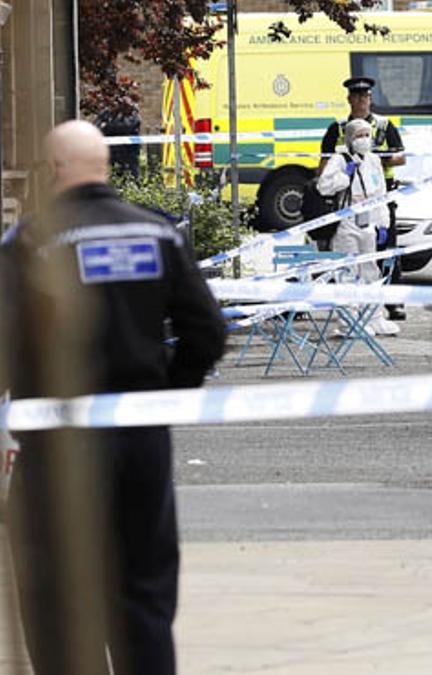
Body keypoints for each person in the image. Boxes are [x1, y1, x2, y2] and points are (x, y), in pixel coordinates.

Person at [1, 120, 226, 674]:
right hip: (141, 443)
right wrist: (167, 393)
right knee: (143, 595)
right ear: (105, 166)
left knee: (56, 601)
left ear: (53, 172)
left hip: (57, 448)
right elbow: (208, 332)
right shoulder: (157, 233)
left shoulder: (30, 243)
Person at [320, 76, 407, 321]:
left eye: (365, 96)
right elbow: (323, 165)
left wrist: (375, 158)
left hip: (379, 195)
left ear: (370, 98)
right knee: (348, 256)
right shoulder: (337, 127)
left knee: (386, 250)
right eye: (356, 96)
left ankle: (391, 303)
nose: (361, 100)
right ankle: (351, 313)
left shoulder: (384, 124)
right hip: (345, 200)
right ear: (349, 99)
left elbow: (401, 157)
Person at [317, 118, 400, 337]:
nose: (364, 140)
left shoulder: (373, 160)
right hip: (346, 222)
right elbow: (323, 186)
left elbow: (380, 193)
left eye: (367, 135)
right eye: (359, 136)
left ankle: (374, 317)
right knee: (348, 272)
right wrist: (346, 176)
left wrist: (383, 224)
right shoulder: (340, 159)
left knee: (371, 271)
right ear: (350, 139)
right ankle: (348, 322)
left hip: (368, 221)